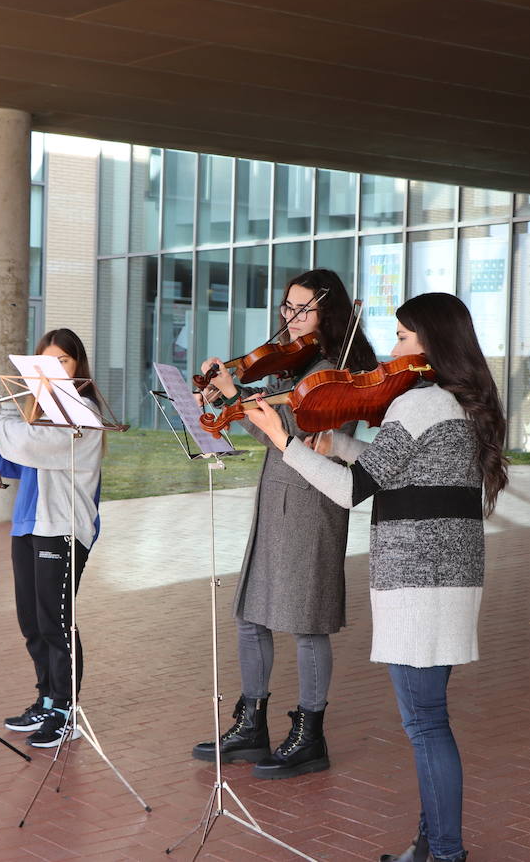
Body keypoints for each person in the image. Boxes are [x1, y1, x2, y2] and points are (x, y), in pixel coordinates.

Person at [245, 292, 507, 862]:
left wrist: (284, 441)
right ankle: (430, 845)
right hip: (450, 577)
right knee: (429, 719)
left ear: (431, 344)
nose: (391, 350)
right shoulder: (457, 402)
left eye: (402, 338)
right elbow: (399, 469)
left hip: (418, 581)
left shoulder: (418, 404)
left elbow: (353, 489)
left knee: (425, 724)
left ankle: (444, 853)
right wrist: (337, 441)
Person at [190, 268, 378, 780]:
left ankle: (310, 734)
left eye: (302, 310)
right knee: (251, 612)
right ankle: (253, 725)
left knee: (306, 621)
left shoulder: (338, 370)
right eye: (286, 308)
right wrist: (232, 399)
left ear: (328, 313)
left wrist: (239, 400)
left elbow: (308, 436)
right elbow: (270, 434)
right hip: (276, 495)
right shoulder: (291, 367)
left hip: (313, 502)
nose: (289, 319)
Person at [0, 327, 106, 748]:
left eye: (64, 362)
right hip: (28, 526)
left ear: (78, 368)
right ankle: (46, 697)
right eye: (46, 363)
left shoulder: (84, 414)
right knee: (32, 622)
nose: (55, 371)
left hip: (62, 528)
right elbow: (11, 462)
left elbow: (28, 445)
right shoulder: (37, 413)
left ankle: (65, 709)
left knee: (55, 623)